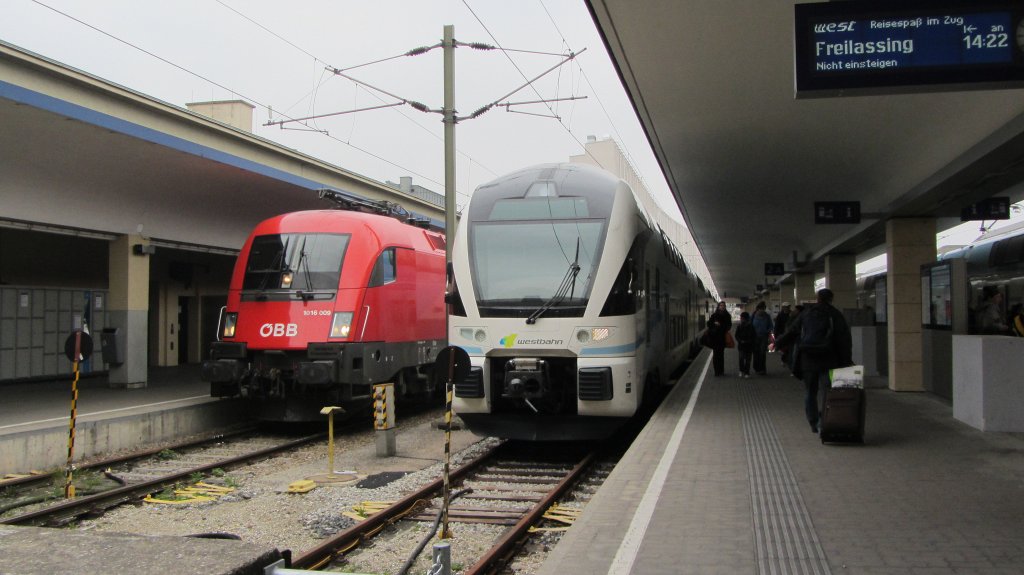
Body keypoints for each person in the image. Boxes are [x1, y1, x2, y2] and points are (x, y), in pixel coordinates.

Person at [776, 289, 852, 434]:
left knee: (810, 392)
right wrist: (846, 361)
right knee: (827, 392)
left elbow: (792, 332)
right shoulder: (835, 315)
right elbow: (844, 341)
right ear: (831, 299)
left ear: (817, 298)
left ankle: (813, 422)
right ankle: (826, 421)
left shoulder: (806, 313)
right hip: (829, 359)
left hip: (808, 360)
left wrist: (777, 343)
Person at [706, 301, 733, 376]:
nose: (722, 307)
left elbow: (729, 326)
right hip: (715, 337)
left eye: (723, 305)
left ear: (725, 307)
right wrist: (714, 323)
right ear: (718, 306)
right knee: (715, 355)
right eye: (721, 305)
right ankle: (717, 371)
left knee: (721, 355)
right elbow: (708, 324)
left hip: (722, 337)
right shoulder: (714, 315)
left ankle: (721, 371)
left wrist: (721, 326)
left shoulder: (727, 315)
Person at [751, 301, 774, 375]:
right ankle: (756, 367)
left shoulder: (767, 316)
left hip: (764, 337)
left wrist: (767, 331)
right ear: (758, 309)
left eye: (763, 309)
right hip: (755, 337)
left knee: (762, 353)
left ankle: (763, 369)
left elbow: (771, 326)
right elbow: (750, 325)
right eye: (761, 309)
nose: (762, 311)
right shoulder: (753, 315)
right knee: (756, 352)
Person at [734, 311, 755, 377]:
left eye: (742, 318)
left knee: (748, 360)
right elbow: (736, 335)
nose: (741, 319)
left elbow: (754, 336)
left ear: (746, 319)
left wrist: (748, 341)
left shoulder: (751, 326)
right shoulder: (739, 326)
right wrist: (740, 341)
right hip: (742, 345)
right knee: (741, 358)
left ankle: (747, 372)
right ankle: (741, 370)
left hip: (749, 345)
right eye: (741, 318)